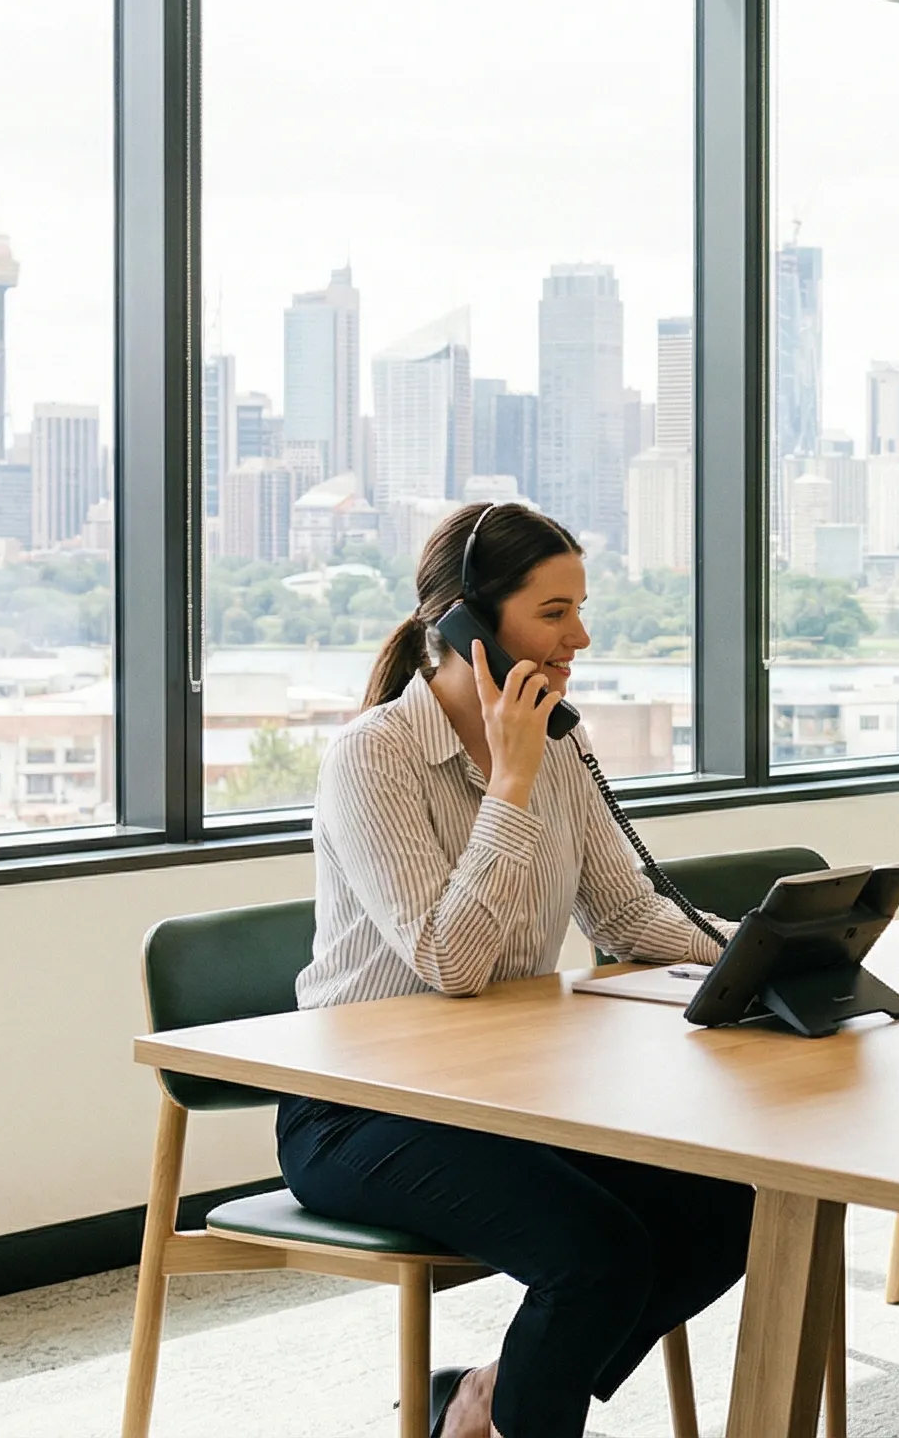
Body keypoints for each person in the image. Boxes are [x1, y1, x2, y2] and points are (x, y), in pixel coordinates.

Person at [283, 502, 755, 1438]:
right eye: (553, 612)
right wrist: (510, 781)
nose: (580, 636)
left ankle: (489, 1396)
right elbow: (449, 963)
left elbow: (624, 911)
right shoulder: (373, 757)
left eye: (579, 608)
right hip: (363, 1109)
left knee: (728, 1208)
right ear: (466, 626)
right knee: (597, 1255)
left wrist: (758, 952)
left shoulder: (560, 741)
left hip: (506, 1097)